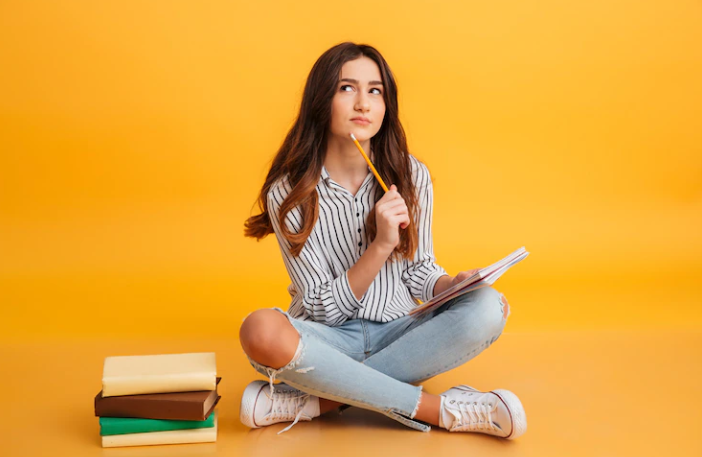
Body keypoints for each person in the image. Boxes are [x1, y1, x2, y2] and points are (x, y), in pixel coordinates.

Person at [239, 42, 526, 439]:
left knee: (488, 307)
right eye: (347, 88)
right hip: (328, 341)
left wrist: (451, 286)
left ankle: (321, 400)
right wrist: (379, 247)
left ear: (386, 104)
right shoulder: (288, 193)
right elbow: (322, 310)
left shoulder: (411, 176)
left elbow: (420, 272)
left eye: (375, 91)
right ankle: (438, 410)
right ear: (322, 100)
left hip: (401, 331)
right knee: (260, 330)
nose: (363, 103)